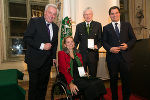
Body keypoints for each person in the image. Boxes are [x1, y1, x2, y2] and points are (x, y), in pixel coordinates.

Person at [23, 4, 59, 100]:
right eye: (50, 13)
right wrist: (42, 46)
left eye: (54, 14)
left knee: (43, 86)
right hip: (34, 61)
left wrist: (54, 57)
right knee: (34, 87)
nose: (52, 16)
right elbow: (27, 38)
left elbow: (54, 44)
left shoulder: (56, 27)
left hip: (47, 62)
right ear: (45, 12)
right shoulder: (35, 22)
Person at [102, 6, 137, 100]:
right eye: (112, 13)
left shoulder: (127, 25)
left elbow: (133, 39)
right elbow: (104, 42)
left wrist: (127, 45)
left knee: (126, 81)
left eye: (116, 13)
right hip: (112, 59)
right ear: (109, 15)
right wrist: (110, 49)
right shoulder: (106, 28)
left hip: (125, 58)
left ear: (119, 14)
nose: (114, 15)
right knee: (113, 82)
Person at [74, 7, 102, 77]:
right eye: (86, 14)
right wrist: (74, 52)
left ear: (92, 15)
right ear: (83, 16)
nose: (88, 16)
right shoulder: (79, 26)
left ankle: (93, 88)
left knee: (93, 76)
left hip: (93, 56)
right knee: (82, 76)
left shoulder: (98, 25)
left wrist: (97, 46)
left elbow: (101, 40)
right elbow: (76, 41)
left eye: (89, 14)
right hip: (81, 57)